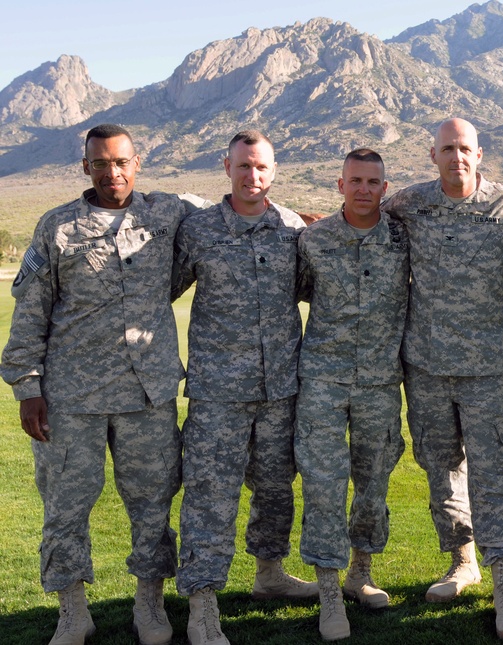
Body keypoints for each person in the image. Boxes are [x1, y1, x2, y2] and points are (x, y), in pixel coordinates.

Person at [0, 123, 199, 645]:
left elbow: (236, 214)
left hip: (147, 395)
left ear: (138, 162)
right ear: (85, 166)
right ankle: (73, 610)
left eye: (121, 162)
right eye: (100, 163)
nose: (112, 172)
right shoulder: (57, 227)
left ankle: (149, 604)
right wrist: (28, 388)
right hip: (72, 398)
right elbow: (30, 314)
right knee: (65, 505)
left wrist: (310, 223)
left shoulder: (168, 212)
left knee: (154, 503)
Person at [381, 118, 503, 640]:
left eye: (465, 148)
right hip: (423, 366)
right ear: (432, 155)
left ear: (479, 153)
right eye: (447, 149)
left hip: (487, 367)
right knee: (441, 470)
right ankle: (461, 560)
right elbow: (357, 220)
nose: (457, 157)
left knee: (493, 474)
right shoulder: (406, 203)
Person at [171, 130, 316, 645]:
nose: (252, 176)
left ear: (273, 170)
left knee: (277, 489)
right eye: (243, 166)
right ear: (225, 166)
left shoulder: (292, 228)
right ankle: (202, 601)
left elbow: (310, 291)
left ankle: (269, 574)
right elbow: (159, 291)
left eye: (261, 167)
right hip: (218, 392)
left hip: (281, 387)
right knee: (210, 496)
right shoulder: (200, 230)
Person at [294, 149, 409, 640]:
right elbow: (295, 292)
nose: (364, 189)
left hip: (381, 382)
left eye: (374, 181)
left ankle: (361, 572)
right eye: (355, 180)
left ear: (386, 187)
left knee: (373, 483)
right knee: (323, 484)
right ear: (339, 184)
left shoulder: (404, 237)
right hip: (323, 380)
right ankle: (327, 590)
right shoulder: (312, 241)